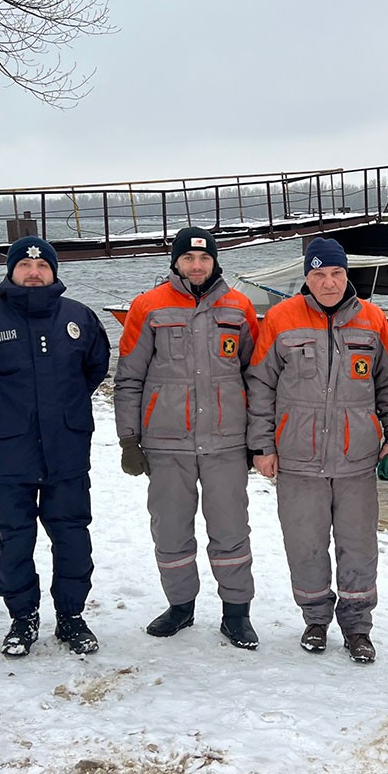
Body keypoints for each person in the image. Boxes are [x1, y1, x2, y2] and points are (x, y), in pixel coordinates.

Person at [246, 237, 388, 663]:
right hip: (298, 457)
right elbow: (260, 386)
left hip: (357, 459)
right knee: (305, 543)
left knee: (358, 545)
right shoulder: (281, 318)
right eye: (318, 275)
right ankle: (315, 619)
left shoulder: (372, 320)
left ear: (346, 275)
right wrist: (263, 445)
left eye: (336, 273)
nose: (329, 282)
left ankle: (357, 627)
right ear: (306, 278)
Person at [0, 236, 110, 657]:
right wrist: (8, 411)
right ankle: (23, 617)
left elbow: (94, 369)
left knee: (72, 536)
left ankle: (71, 617)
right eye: (24, 266)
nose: (33, 273)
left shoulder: (80, 319)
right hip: (8, 452)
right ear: (12, 271)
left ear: (54, 272)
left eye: (42, 266)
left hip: (67, 449)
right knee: (13, 538)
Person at [113, 226, 260, 649]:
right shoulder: (149, 307)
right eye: (188, 259)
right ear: (175, 262)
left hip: (226, 443)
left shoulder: (239, 307)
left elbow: (257, 377)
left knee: (231, 530)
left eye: (205, 259)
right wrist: (129, 440)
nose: (197, 266)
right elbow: (129, 378)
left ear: (215, 262)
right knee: (170, 529)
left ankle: (237, 614)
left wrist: (258, 439)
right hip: (166, 443)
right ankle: (181, 606)